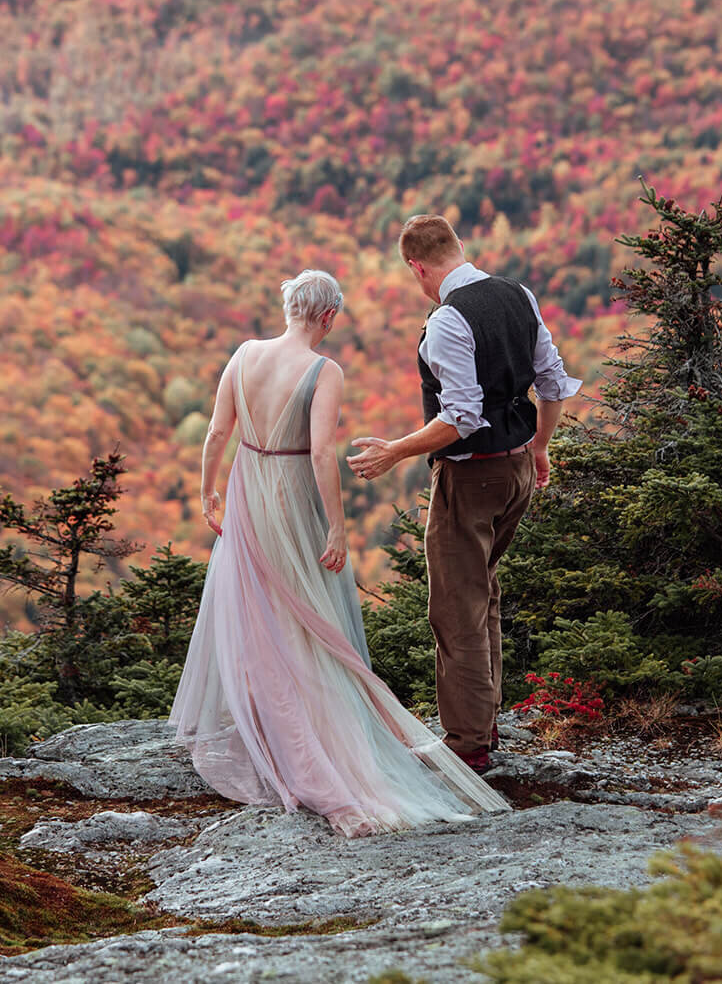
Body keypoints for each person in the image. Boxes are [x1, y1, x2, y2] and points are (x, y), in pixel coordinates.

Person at [169, 269, 511, 837]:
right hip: (293, 497)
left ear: (290, 308)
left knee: (261, 609)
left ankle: (265, 726)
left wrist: (209, 489)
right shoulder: (325, 371)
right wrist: (336, 528)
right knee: (310, 616)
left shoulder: (245, 353)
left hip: (248, 485)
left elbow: (215, 431)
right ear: (328, 317)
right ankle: (314, 737)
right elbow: (321, 454)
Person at [348, 216, 581, 773]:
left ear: (418, 266)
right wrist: (541, 447)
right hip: (519, 467)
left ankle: (467, 745)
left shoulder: (448, 320)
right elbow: (551, 381)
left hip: (471, 476)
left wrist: (394, 451)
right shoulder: (516, 294)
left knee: (456, 606)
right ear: (458, 248)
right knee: (483, 591)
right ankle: (485, 721)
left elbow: (462, 418)